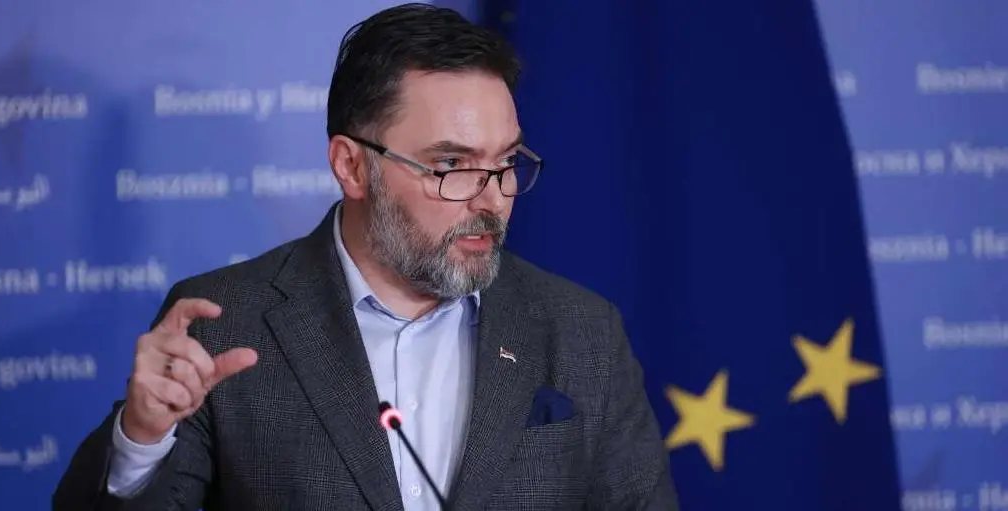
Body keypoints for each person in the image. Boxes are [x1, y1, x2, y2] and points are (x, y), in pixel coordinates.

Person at [52, 3, 678, 510]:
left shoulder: (581, 332)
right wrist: (143, 439)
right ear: (351, 166)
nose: (492, 198)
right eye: (450, 164)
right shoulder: (225, 323)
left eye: (507, 161)